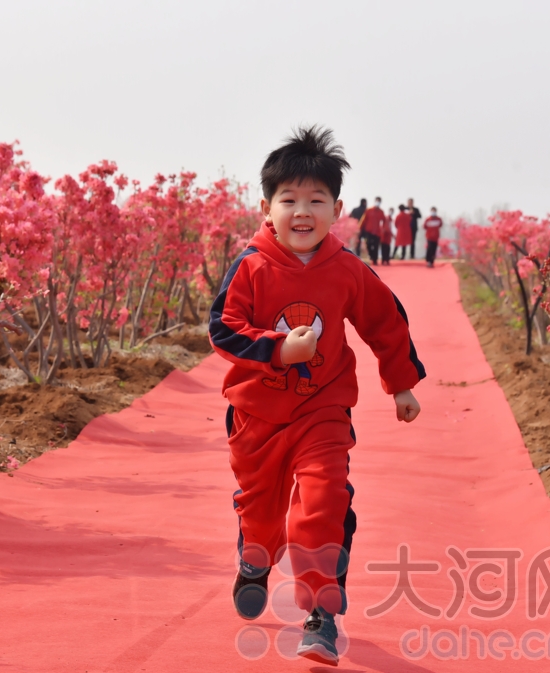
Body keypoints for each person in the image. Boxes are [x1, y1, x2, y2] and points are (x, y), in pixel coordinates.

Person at [209, 126, 425, 666]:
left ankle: (321, 613)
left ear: (337, 210)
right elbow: (223, 328)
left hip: (324, 409)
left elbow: (386, 321)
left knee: (325, 501)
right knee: (262, 514)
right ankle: (255, 559)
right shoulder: (251, 266)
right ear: (266, 208)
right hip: (257, 415)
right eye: (289, 200)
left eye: (315, 200)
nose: (301, 211)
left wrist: (400, 383)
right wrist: (279, 350)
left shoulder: (347, 269)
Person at [358, 197, 385, 265]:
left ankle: (375, 260)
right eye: (377, 201)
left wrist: (383, 229)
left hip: (377, 232)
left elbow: (384, 221)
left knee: (376, 246)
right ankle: (371, 256)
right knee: (368, 244)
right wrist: (359, 228)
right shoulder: (369, 210)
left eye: (379, 201)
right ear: (374, 201)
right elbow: (363, 220)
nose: (377, 202)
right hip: (368, 232)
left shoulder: (381, 212)